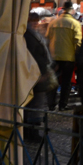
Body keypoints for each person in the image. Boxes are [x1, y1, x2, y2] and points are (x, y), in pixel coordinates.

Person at [24, 12, 56, 141]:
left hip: (37, 74)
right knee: (35, 105)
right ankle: (32, 133)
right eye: (33, 21)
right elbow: (35, 56)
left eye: (36, 20)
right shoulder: (29, 36)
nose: (35, 23)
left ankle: (32, 131)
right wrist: (43, 72)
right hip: (36, 75)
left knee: (35, 105)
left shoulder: (33, 34)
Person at [47, 1, 82, 110]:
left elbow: (47, 38)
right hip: (68, 57)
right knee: (66, 83)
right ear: (71, 10)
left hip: (53, 57)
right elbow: (78, 42)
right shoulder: (75, 24)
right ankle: (63, 104)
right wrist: (77, 55)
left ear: (63, 9)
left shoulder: (53, 23)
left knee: (53, 81)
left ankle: (51, 105)